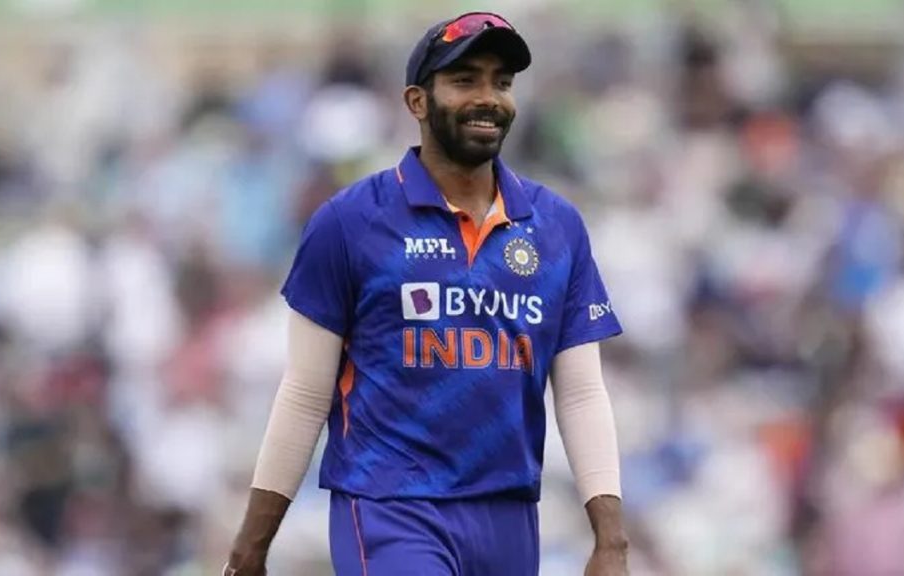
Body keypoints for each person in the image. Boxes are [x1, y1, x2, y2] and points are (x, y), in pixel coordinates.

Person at [225, 11, 628, 576]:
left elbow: (581, 394)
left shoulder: (556, 226)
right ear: (417, 101)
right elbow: (305, 393)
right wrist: (251, 545)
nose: (488, 98)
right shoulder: (350, 223)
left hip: (509, 516)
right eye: (465, 80)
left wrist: (611, 541)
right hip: (389, 508)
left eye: (502, 82)